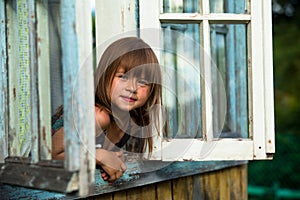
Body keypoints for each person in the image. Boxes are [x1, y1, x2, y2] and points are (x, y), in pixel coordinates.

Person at [51, 37, 164, 184]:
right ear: (105, 75)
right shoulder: (97, 116)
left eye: (142, 82)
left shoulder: (131, 121)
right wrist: (98, 156)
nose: (132, 88)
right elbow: (50, 155)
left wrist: (113, 158)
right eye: (123, 77)